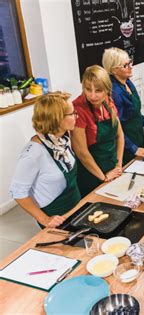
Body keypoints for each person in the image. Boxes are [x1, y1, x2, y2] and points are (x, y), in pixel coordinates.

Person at [10, 93, 80, 228]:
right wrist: (45, 219)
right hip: (56, 215)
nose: (76, 116)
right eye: (72, 114)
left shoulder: (62, 140)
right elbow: (17, 191)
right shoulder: (33, 153)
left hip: (74, 205)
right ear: (57, 119)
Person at [102, 47, 144, 165]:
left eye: (130, 62)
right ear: (114, 70)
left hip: (137, 135)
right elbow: (115, 128)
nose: (131, 67)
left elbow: (134, 112)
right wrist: (134, 148)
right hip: (126, 145)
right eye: (125, 65)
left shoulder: (127, 81)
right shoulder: (115, 93)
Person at [72, 65, 125, 197]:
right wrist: (104, 177)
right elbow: (81, 152)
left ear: (107, 89)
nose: (93, 95)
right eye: (88, 89)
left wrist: (118, 165)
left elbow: (120, 136)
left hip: (112, 166)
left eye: (99, 90)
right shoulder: (78, 108)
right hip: (91, 173)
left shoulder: (108, 101)